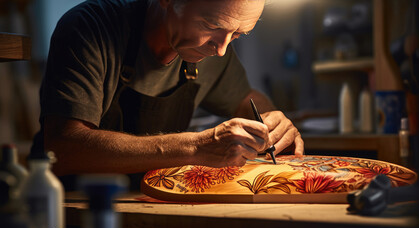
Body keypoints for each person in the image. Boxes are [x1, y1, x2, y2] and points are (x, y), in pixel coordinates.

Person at [30, 0, 304, 190]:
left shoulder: (214, 49)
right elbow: (62, 148)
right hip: (76, 207)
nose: (221, 49)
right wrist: (196, 147)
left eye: (237, 35)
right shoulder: (90, 26)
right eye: (211, 25)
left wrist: (270, 122)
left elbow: (245, 99)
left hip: (152, 199)